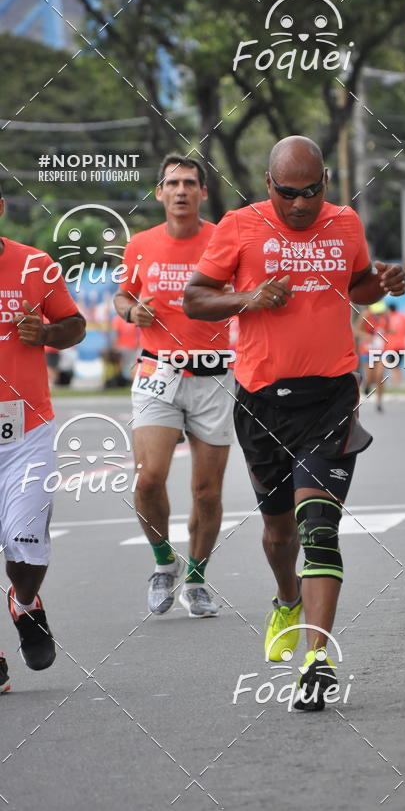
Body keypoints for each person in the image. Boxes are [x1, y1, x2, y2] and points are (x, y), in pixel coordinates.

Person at [184, 135, 405, 710]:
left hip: (330, 397)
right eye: (289, 193)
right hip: (261, 403)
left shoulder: (347, 224)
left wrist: (381, 285)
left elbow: (354, 287)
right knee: (279, 535)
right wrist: (248, 298)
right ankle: (286, 598)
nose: (301, 204)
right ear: (268, 185)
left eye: (311, 192)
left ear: (326, 184)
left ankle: (317, 658)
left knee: (318, 528)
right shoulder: (239, 226)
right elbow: (193, 298)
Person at [114, 155, 234, 618]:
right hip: (157, 372)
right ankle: (165, 563)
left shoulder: (224, 240)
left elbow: (245, 293)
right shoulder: (141, 244)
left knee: (207, 492)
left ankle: (198, 579)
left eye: (190, 183)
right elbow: (124, 294)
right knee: (148, 479)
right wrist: (130, 312)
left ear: (202, 193)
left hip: (214, 375)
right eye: (172, 184)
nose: (181, 190)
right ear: (159, 193)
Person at [0, 185, 86, 677]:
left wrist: (47, 334)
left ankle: (25, 600)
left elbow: (75, 325)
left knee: (27, 540)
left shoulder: (35, 265)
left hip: (26, 431)